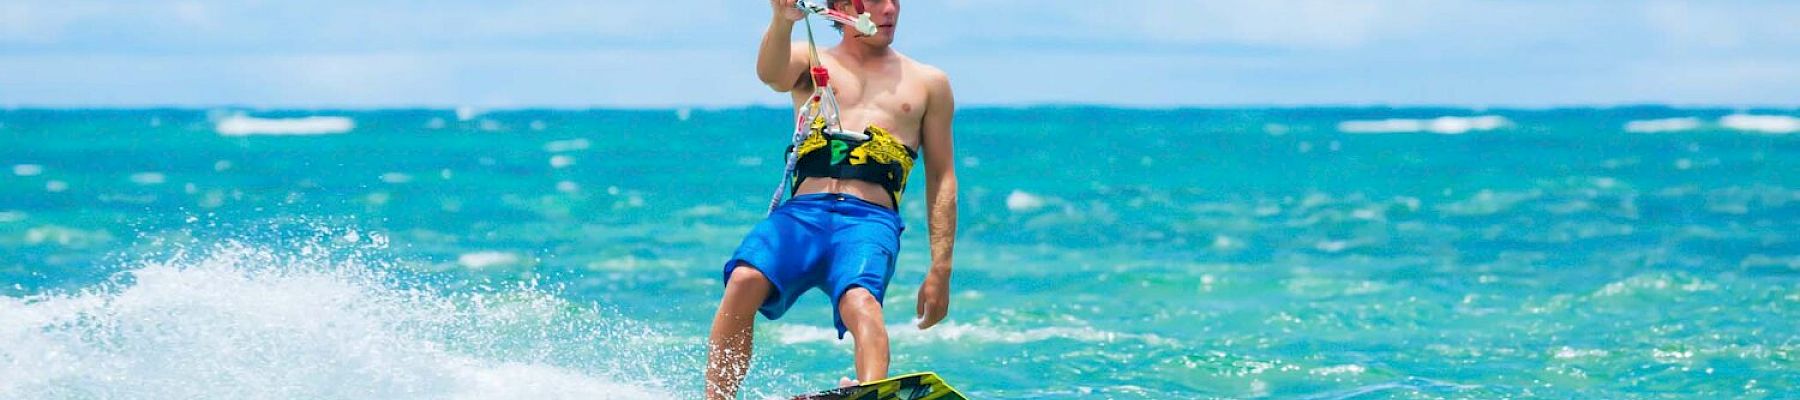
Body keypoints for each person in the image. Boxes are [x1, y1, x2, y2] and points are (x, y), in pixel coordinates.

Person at [704, 0, 959, 398]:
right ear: (842, 6)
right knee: (744, 279)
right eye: (877, 0)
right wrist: (782, 20)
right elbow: (770, 73)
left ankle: (870, 393)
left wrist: (940, 269)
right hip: (802, 216)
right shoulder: (810, 59)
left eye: (895, 0)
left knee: (862, 303)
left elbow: (942, 178)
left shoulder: (928, 83)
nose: (890, 10)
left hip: (867, 223)